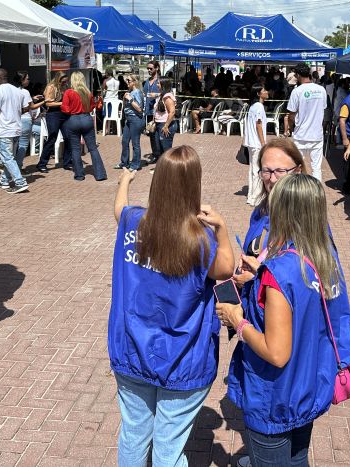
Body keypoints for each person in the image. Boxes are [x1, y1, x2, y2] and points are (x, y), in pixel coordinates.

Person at [218, 174, 350, 466]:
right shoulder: (324, 258)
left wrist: (237, 320)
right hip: (308, 386)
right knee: (297, 458)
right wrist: (259, 275)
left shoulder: (279, 272)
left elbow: (276, 353)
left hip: (275, 398)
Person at [108, 147, 234, 465]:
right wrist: (222, 228)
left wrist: (124, 181)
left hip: (132, 350)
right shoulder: (201, 240)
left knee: (134, 435)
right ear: (194, 185)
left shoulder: (134, 222)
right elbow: (226, 270)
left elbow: (119, 209)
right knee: (168, 447)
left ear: (158, 182)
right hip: (183, 358)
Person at [236, 138, 307, 285]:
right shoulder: (260, 212)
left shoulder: (308, 220)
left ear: (298, 171)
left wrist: (258, 278)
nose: (273, 179)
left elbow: (308, 280)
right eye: (267, 171)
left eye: (280, 171)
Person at [0, 68, 29, 194]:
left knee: (8, 158)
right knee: (9, 158)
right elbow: (26, 108)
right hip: (16, 129)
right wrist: (14, 113)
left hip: (4, 130)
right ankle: (4, 180)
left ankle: (20, 182)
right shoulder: (18, 91)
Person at [61, 71, 107, 182]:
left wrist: (72, 110)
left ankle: (79, 175)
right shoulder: (88, 92)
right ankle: (100, 174)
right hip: (86, 119)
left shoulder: (69, 92)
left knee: (75, 149)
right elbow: (91, 107)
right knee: (93, 148)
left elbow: (65, 109)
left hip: (73, 120)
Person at [285, 64, 327, 181]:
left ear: (298, 75)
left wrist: (290, 128)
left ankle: (298, 190)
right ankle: (317, 190)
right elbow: (323, 109)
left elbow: (291, 114)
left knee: (297, 167)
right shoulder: (321, 90)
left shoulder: (297, 91)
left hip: (301, 135)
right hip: (317, 135)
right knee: (316, 168)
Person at [36, 72, 71, 173]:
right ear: (58, 79)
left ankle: (67, 162)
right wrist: (63, 103)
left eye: (66, 81)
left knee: (68, 137)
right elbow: (48, 104)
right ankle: (42, 164)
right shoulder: (51, 87)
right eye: (63, 81)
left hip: (63, 113)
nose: (65, 83)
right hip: (53, 114)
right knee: (52, 137)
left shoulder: (64, 87)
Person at [243, 85, 269, 206]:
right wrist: (263, 143)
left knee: (253, 169)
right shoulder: (259, 106)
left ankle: (251, 195)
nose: (266, 92)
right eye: (264, 90)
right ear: (259, 94)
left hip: (251, 142)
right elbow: (259, 125)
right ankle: (256, 197)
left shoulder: (253, 106)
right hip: (256, 143)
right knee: (257, 170)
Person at [13, 71, 42, 170]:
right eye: (27, 79)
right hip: (25, 120)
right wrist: (44, 101)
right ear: (22, 80)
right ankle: (18, 166)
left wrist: (32, 98)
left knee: (13, 144)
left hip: (16, 119)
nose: (29, 80)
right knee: (23, 144)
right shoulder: (25, 92)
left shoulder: (13, 91)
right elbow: (32, 107)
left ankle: (8, 165)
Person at [116, 74, 146, 172]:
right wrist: (125, 98)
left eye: (129, 80)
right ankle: (124, 162)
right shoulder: (130, 92)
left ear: (134, 82)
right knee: (124, 141)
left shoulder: (137, 92)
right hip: (129, 119)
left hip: (135, 119)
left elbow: (139, 108)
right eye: (127, 80)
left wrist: (130, 99)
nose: (127, 82)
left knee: (135, 143)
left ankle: (135, 165)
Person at [152, 78, 178, 162]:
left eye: (158, 83)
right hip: (159, 124)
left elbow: (172, 112)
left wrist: (166, 126)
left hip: (165, 124)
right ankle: (162, 166)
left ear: (163, 85)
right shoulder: (161, 95)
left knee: (166, 149)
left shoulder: (167, 97)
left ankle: (169, 167)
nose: (157, 85)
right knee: (159, 148)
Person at [143, 61, 162, 163]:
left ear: (157, 68)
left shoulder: (160, 80)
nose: (149, 70)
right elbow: (144, 93)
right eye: (148, 69)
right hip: (149, 112)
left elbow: (166, 93)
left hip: (159, 112)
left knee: (159, 135)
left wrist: (156, 95)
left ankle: (161, 155)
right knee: (152, 134)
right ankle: (155, 154)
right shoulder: (147, 81)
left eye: (151, 68)